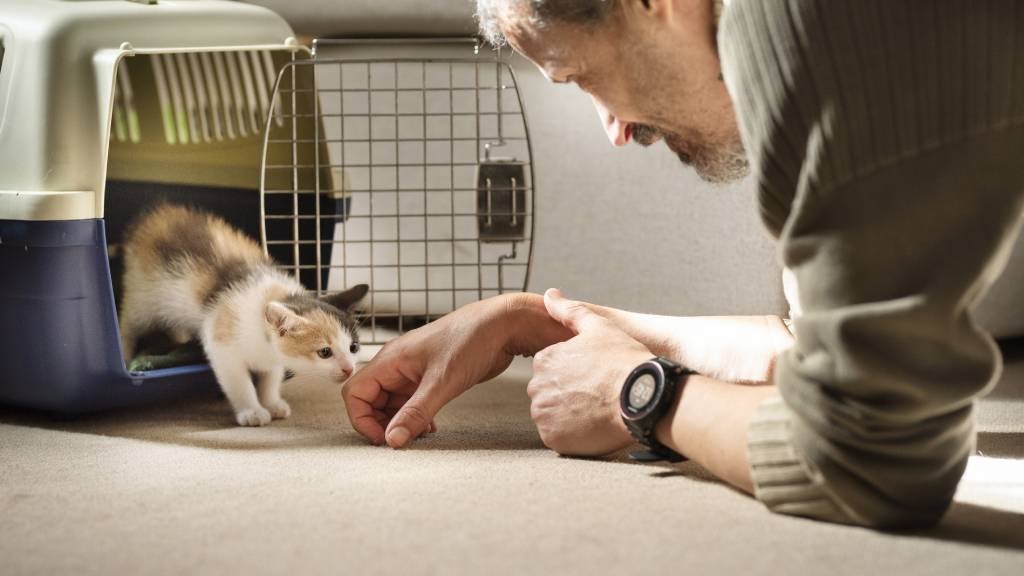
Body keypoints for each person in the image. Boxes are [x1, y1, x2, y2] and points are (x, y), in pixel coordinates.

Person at [342, 0, 1024, 528]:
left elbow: (870, 457)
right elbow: (819, 352)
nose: (614, 130)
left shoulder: (816, 37)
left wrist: (640, 394)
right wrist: (536, 322)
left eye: (582, 76)